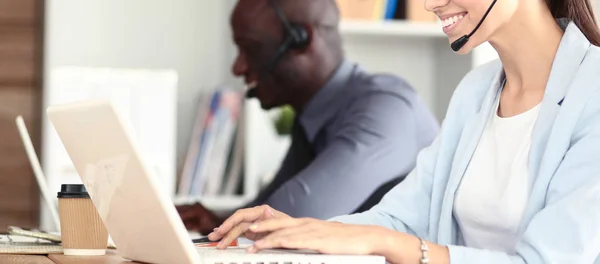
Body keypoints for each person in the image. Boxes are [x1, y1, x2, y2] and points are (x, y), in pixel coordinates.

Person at [207, 0, 600, 262]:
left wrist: (392, 245)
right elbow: (400, 219)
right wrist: (295, 230)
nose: (430, 3)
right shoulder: (476, 92)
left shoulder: (593, 90)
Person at [176, 0, 440, 235]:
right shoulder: (312, 120)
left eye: (252, 49)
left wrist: (232, 225)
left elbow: (293, 216)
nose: (239, 67)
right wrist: (215, 221)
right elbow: (268, 210)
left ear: (303, 39)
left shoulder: (387, 107)